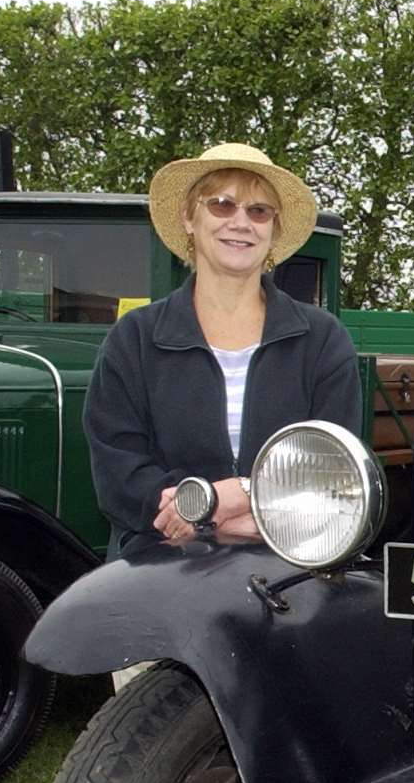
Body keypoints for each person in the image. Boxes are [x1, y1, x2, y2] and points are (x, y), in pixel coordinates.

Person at [84, 142, 363, 559]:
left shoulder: (322, 340)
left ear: (273, 230)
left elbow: (335, 471)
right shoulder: (134, 338)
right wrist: (207, 508)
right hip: (159, 568)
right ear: (188, 217)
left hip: (289, 567)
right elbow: (118, 472)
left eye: (258, 211)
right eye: (221, 204)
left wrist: (244, 494)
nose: (240, 222)